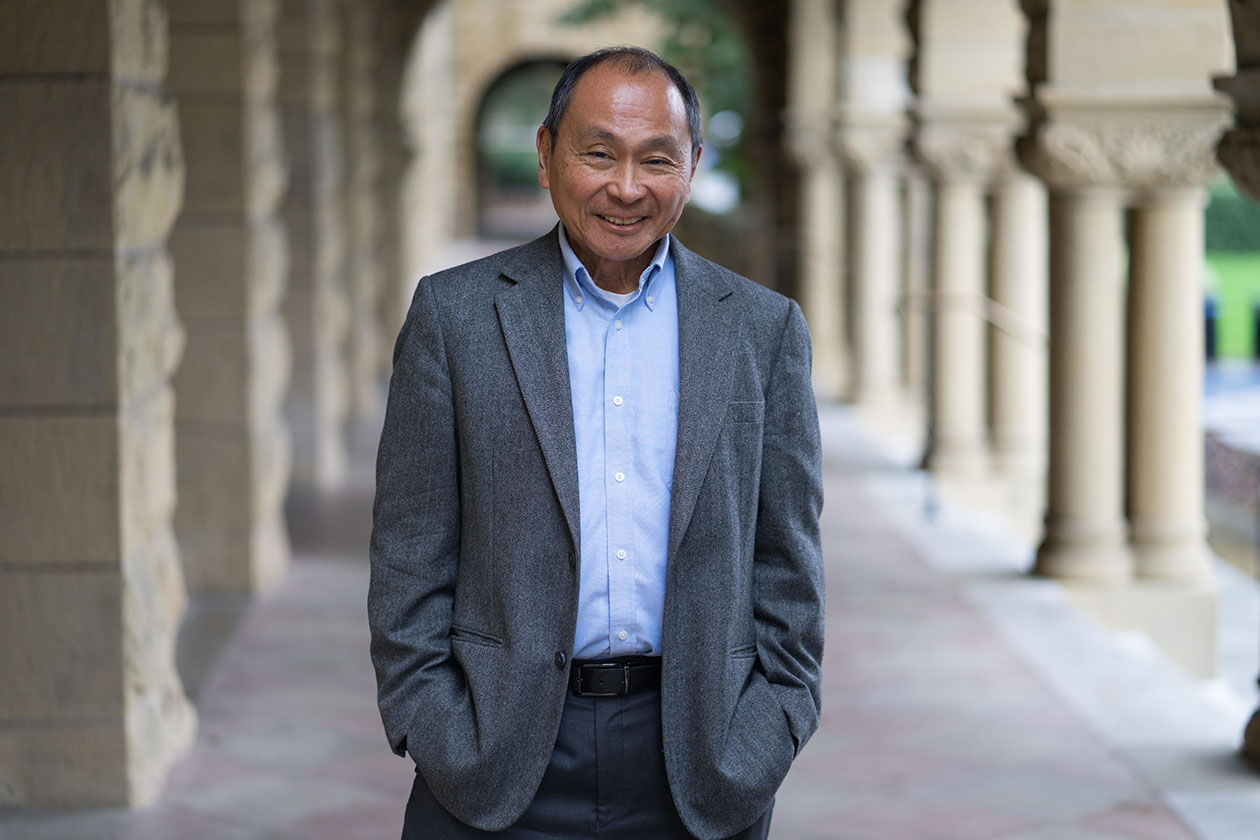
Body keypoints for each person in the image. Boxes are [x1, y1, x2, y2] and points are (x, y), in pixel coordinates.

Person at [369, 46, 824, 840]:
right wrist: (433, 726)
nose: (626, 187)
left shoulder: (762, 329)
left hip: (700, 764)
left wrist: (770, 729)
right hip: (494, 763)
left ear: (691, 165)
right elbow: (409, 550)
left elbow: (789, 562)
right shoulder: (456, 318)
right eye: (599, 153)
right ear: (548, 155)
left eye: (657, 159)